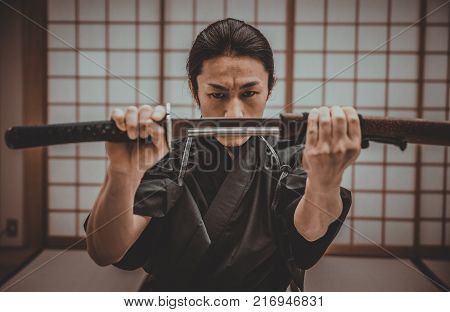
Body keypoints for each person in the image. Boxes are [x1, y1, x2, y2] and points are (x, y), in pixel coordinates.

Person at [84, 18, 361, 291]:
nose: (234, 114)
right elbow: (105, 251)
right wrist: (122, 171)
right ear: (194, 90)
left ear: (269, 89)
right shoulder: (165, 156)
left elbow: (310, 233)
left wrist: (326, 179)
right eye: (217, 95)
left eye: (250, 92)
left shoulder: (289, 157)